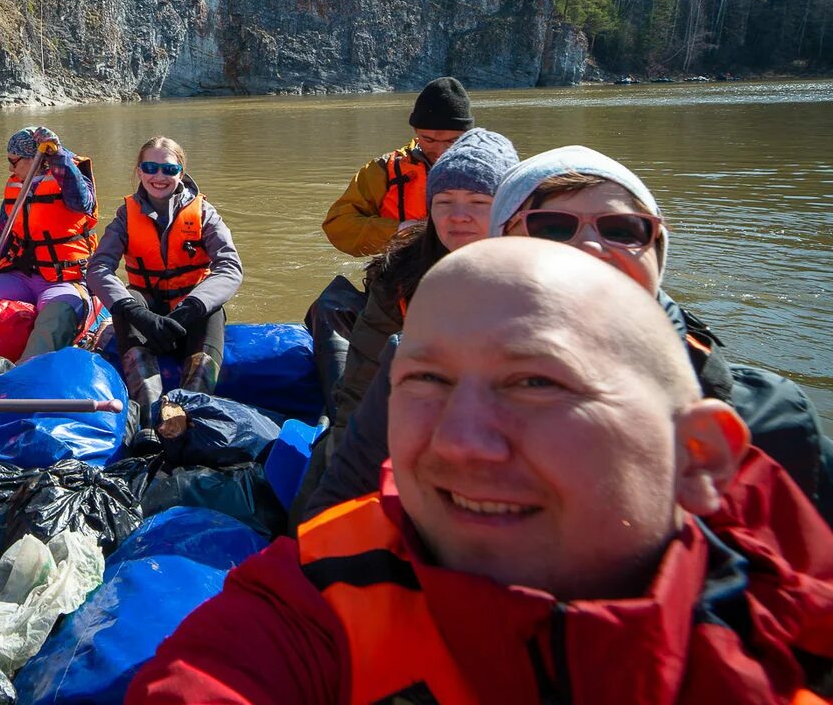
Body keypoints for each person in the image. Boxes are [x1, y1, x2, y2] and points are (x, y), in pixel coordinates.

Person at [129, 240, 833, 704]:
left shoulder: (796, 633)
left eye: (535, 383)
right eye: (427, 380)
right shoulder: (313, 597)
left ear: (698, 456)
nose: (458, 443)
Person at [301, 145, 833, 527]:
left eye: (622, 229)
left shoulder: (769, 419)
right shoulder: (413, 379)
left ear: (657, 252)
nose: (592, 249)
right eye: (552, 227)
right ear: (502, 245)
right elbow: (328, 539)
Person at [331, 128, 517, 426]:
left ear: (510, 210)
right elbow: (360, 393)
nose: (458, 215)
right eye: (444, 201)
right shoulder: (396, 278)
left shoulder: (539, 278)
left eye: (478, 202)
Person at [86, 136, 242, 445]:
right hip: (148, 318)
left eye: (168, 168)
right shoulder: (125, 216)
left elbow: (230, 267)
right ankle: (148, 413)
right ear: (140, 171)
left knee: (214, 311)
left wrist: (192, 307)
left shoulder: (204, 213)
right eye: (150, 167)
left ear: (181, 173)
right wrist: (136, 312)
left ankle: (185, 411)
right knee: (126, 302)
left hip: (189, 315)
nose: (159, 176)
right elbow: (98, 267)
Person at [0, 126, 98, 365]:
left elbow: (81, 200)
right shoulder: (16, 186)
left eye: (13, 161)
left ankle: (20, 379)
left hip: (64, 280)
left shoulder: (71, 178)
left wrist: (58, 155)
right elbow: (1, 238)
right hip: (21, 277)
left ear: (33, 158)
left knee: (53, 320)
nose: (10, 168)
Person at [322, 77, 473, 257]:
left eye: (452, 141)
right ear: (416, 132)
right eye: (429, 140)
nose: (439, 150)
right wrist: (401, 229)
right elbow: (338, 225)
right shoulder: (383, 170)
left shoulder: (488, 170)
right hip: (403, 270)